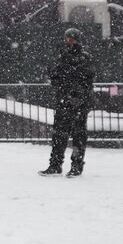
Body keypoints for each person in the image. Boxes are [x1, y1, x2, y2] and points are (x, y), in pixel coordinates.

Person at [40, 28, 95, 178]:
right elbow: (57, 78)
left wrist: (76, 95)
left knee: (77, 135)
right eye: (67, 39)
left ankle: (76, 165)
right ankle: (55, 164)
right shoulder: (63, 56)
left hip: (77, 103)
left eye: (72, 39)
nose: (69, 42)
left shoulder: (83, 58)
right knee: (59, 135)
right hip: (65, 101)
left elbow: (86, 80)